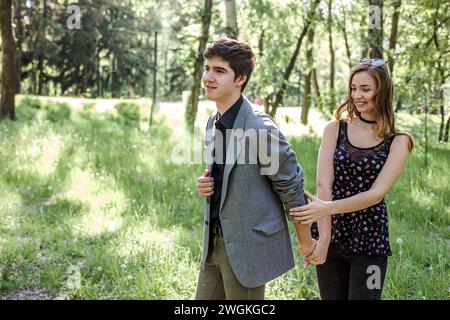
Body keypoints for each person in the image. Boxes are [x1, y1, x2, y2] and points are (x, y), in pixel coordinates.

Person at [195, 37, 314, 300]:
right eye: (207, 68)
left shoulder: (260, 129)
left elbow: (291, 186)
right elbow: (229, 177)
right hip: (212, 244)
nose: (208, 77)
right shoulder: (213, 121)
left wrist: (306, 241)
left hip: (248, 247)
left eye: (219, 71)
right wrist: (208, 185)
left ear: (240, 79)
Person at [290, 58, 414, 300]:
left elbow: (376, 194)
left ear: (383, 90)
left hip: (371, 238)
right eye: (354, 88)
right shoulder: (334, 129)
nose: (357, 95)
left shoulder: (399, 141)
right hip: (330, 231)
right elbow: (324, 185)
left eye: (365, 89)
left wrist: (326, 208)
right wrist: (324, 237)